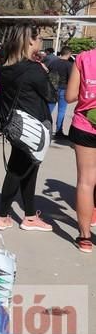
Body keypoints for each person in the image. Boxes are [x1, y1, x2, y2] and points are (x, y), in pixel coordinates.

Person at [0, 23, 54, 232]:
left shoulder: (6, 67)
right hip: (33, 126)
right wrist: (45, 73)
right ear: (30, 40)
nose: (40, 42)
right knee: (19, 170)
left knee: (25, 169)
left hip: (15, 125)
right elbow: (51, 95)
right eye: (38, 39)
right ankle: (4, 215)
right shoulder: (34, 69)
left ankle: (28, 215)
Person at [65, 48, 96, 253]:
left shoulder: (84, 58)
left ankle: (84, 238)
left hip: (85, 123)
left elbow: (69, 96)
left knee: (86, 181)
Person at [47, 47, 73, 139]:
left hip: (52, 88)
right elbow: (71, 78)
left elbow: (47, 73)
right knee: (61, 111)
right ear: (69, 54)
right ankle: (58, 131)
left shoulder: (53, 62)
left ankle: (45, 129)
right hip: (63, 89)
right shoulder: (69, 65)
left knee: (49, 110)